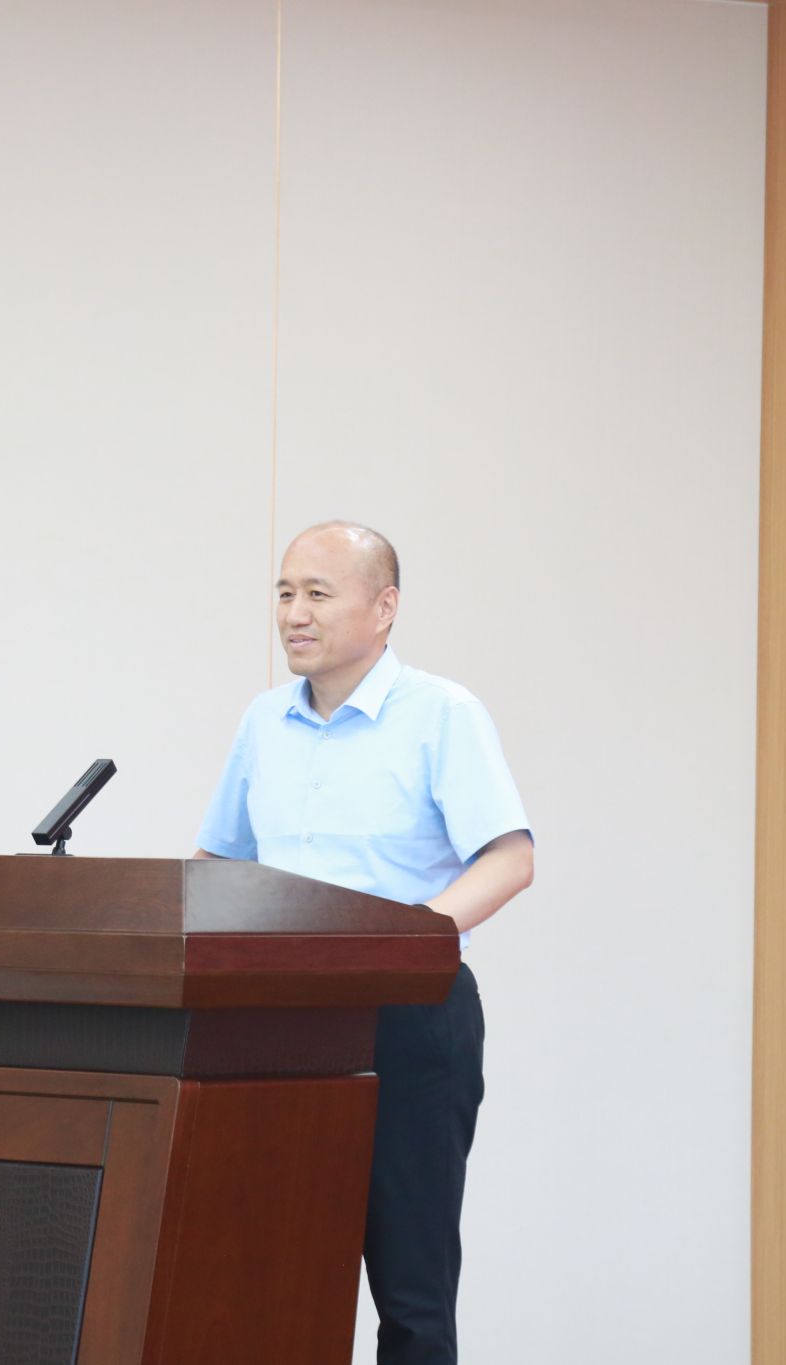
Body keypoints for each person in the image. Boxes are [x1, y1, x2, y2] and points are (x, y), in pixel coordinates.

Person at [194, 520, 534, 1365]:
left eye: (317, 593)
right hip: (276, 1023)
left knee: (411, 1292)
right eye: (284, 592)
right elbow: (219, 863)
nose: (293, 613)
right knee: (274, 1276)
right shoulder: (264, 722)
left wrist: (408, 939)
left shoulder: (441, 714)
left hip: (407, 1019)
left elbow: (510, 858)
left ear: (384, 608)